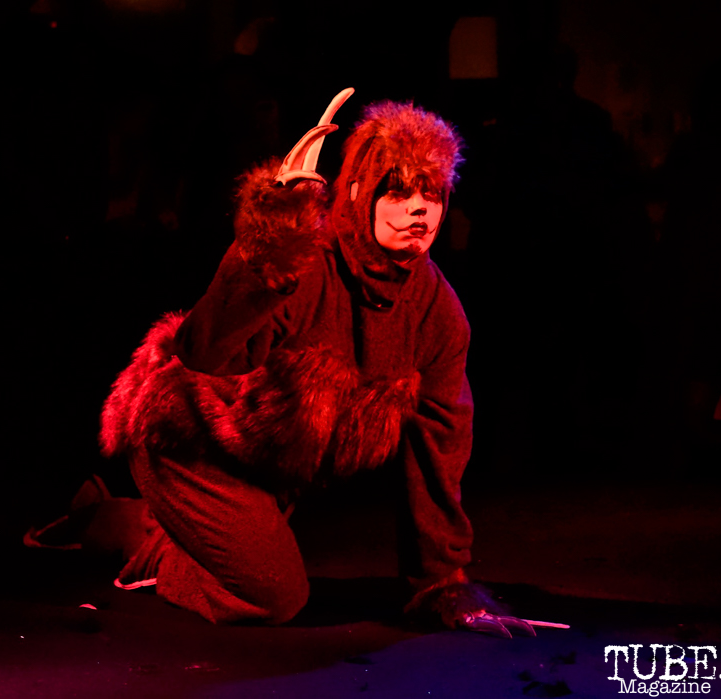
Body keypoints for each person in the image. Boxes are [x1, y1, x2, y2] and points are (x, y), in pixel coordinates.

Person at [97, 89, 534, 637]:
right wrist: (267, 253)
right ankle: (155, 551)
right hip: (191, 441)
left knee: (256, 557)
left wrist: (442, 582)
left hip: (267, 458)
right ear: (356, 193)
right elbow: (204, 355)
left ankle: (114, 517)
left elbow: (439, 448)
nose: (419, 209)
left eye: (432, 193)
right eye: (398, 191)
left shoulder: (436, 312)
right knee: (275, 596)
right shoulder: (304, 263)